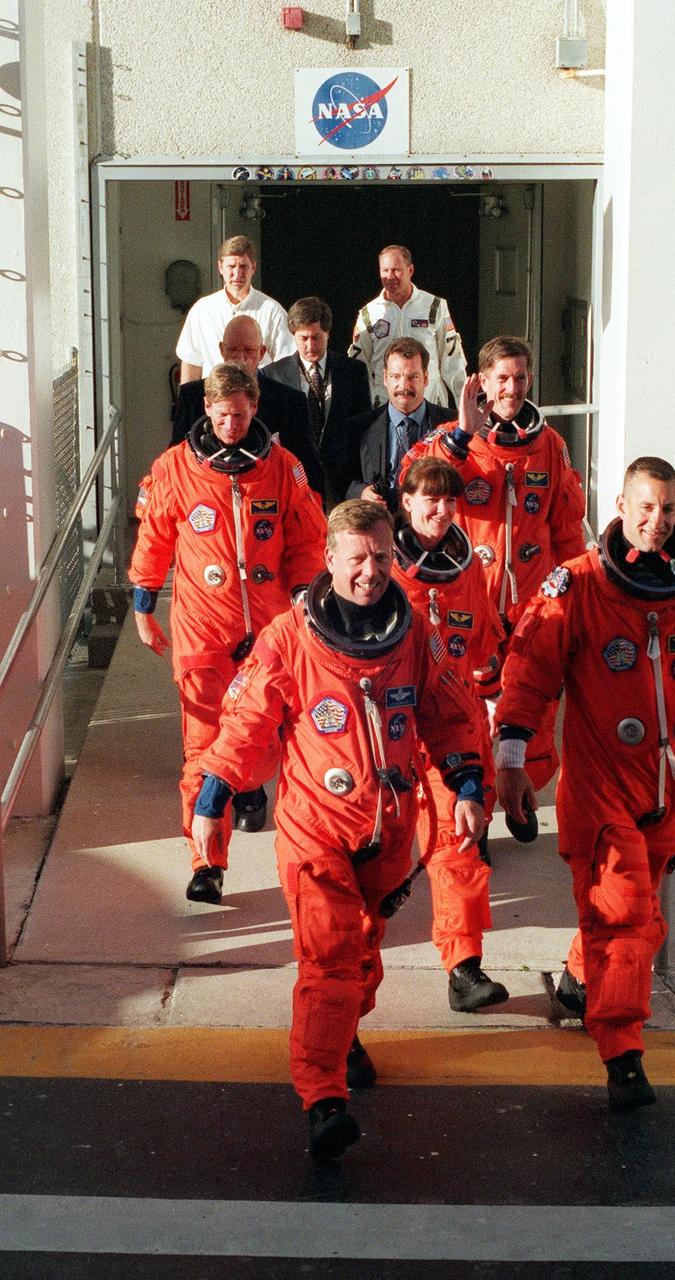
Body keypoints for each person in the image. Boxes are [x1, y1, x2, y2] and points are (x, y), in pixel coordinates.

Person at [191, 500, 487, 1160]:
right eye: (357, 558)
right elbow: (245, 724)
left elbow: (450, 712)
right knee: (327, 960)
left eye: (382, 557)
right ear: (330, 560)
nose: (371, 571)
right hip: (315, 830)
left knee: (361, 960)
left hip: (387, 831)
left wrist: (468, 778)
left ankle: (344, 1030)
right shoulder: (289, 637)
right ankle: (323, 1099)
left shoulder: (413, 632)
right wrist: (216, 789)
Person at [495, 456, 675, 1110]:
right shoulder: (578, 587)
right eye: (646, 508)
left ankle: (578, 979)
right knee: (623, 913)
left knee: (637, 913)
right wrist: (510, 757)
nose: (657, 522)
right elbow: (528, 670)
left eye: (669, 510)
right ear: (620, 503)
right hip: (603, 785)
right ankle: (623, 1054)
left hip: (672, 789)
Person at [130, 363, 326, 904]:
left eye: (240, 415)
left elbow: (308, 542)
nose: (232, 426)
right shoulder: (175, 469)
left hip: (268, 632)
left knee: (277, 738)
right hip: (202, 631)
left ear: (254, 408)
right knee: (202, 748)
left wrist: (306, 600)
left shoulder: (283, 468)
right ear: (206, 413)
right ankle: (206, 863)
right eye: (221, 417)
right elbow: (154, 542)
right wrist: (144, 604)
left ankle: (279, 824)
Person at [402, 334, 587, 796]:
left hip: (532, 598)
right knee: (466, 706)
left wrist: (572, 592)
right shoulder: (450, 439)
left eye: (520, 377)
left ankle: (524, 790)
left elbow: (567, 528)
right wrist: (463, 434)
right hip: (470, 597)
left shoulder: (550, 446)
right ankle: (476, 800)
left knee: (534, 699)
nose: (512, 388)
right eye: (502, 378)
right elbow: (412, 482)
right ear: (482, 381)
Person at [392, 458, 508, 1010]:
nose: (440, 510)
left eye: (448, 501)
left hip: (451, 730)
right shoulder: (380, 567)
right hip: (386, 731)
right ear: (407, 502)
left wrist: (489, 702)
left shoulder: (469, 569)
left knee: (458, 845)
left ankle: (465, 968)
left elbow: (484, 642)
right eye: (428, 499)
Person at [171, 315, 323, 497]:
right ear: (222, 350)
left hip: (268, 501)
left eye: (249, 350)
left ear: (261, 353)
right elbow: (175, 460)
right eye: (233, 349)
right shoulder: (193, 396)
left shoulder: (289, 401)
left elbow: (308, 468)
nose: (240, 358)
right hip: (205, 499)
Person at [261, 296, 372, 509]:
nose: (310, 345)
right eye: (303, 338)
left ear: (328, 334)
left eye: (317, 337)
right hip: (294, 481)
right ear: (293, 335)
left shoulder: (353, 371)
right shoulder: (272, 374)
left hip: (343, 483)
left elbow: (363, 428)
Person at [349, 244, 466, 409]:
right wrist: (365, 405)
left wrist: (464, 404)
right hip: (385, 406)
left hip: (429, 404)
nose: (390, 276)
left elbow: (452, 359)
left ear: (410, 270)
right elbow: (359, 365)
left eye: (396, 270)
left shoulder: (435, 306)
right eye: (385, 270)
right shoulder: (369, 313)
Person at [344, 338, 454, 509]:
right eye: (396, 377)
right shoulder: (359, 427)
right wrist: (362, 492)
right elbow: (342, 480)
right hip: (380, 521)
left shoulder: (451, 424)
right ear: (385, 378)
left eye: (413, 377)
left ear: (425, 378)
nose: (403, 386)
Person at [175, 234, 295, 383]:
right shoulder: (202, 310)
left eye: (243, 266)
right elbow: (191, 362)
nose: (237, 274)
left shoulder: (272, 311)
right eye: (231, 266)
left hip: (259, 398)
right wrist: (186, 402)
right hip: (214, 399)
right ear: (220, 267)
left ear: (254, 267)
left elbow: (287, 363)